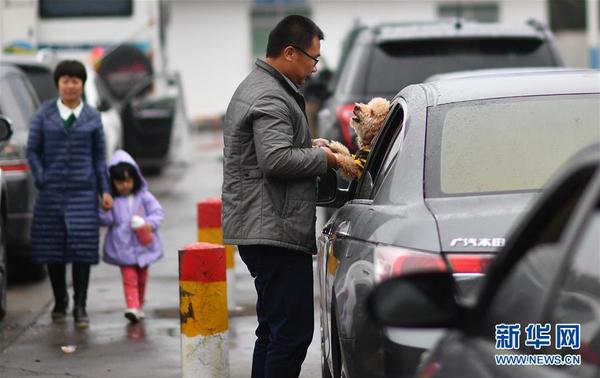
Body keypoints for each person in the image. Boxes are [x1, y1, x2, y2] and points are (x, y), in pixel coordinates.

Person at [221, 15, 337, 378]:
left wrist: (307, 145)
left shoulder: (263, 86)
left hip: (266, 226)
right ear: (290, 53)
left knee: (272, 331)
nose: (315, 68)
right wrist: (325, 158)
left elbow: (273, 150)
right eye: (313, 58)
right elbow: (275, 159)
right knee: (292, 333)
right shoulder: (270, 95)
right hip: (274, 231)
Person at [27, 59, 113, 328]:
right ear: (58, 84)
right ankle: (60, 300)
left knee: (81, 251)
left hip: (82, 194)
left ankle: (80, 305)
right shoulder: (44, 115)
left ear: (82, 85)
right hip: (51, 194)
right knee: (53, 250)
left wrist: (104, 190)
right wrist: (42, 177)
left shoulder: (91, 117)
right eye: (65, 80)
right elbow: (32, 151)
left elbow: (100, 158)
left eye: (75, 81)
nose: (70, 86)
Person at [99, 150, 164, 323]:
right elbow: (106, 221)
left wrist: (148, 223)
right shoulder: (113, 201)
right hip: (123, 247)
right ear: (112, 182)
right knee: (129, 278)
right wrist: (104, 210)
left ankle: (138, 305)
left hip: (143, 245)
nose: (125, 185)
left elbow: (157, 212)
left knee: (142, 278)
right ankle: (132, 306)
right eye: (120, 182)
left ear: (135, 178)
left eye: (128, 180)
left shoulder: (144, 197)